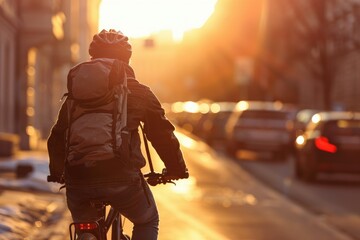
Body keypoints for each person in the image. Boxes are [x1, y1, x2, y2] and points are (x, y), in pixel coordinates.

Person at [47, 29, 188, 240]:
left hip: (79, 178)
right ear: (126, 59)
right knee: (147, 219)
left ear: (93, 57)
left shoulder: (76, 94)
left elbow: (58, 136)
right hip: (121, 178)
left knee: (85, 226)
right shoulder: (139, 92)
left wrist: (57, 172)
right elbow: (161, 134)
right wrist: (176, 169)